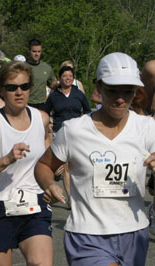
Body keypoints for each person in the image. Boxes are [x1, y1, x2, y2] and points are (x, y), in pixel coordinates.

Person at [34, 52, 154, 266]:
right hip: (87, 235)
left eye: (127, 92)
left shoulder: (147, 128)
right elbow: (44, 165)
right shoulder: (74, 130)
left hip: (134, 233)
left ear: (136, 92)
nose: (119, 98)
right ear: (98, 87)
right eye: (112, 91)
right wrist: (49, 183)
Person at [0, 61, 52, 266]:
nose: (19, 92)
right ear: (1, 90)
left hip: (33, 202)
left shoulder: (41, 118)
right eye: (12, 87)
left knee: (41, 263)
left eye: (24, 86)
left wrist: (52, 177)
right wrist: (6, 159)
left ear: (31, 88)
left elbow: (46, 157)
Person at [43, 66, 91, 208]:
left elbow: (88, 111)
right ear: (60, 78)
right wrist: (49, 123)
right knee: (66, 166)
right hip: (60, 132)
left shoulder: (79, 94)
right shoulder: (54, 95)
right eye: (65, 76)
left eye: (70, 76)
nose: (68, 78)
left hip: (78, 134)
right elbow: (45, 112)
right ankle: (70, 198)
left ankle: (81, 194)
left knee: (78, 164)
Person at [26, 39, 57, 110]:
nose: (37, 54)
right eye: (34, 51)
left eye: (39, 51)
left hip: (42, 104)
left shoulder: (46, 67)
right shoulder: (22, 67)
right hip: (27, 104)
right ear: (29, 51)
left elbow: (53, 85)